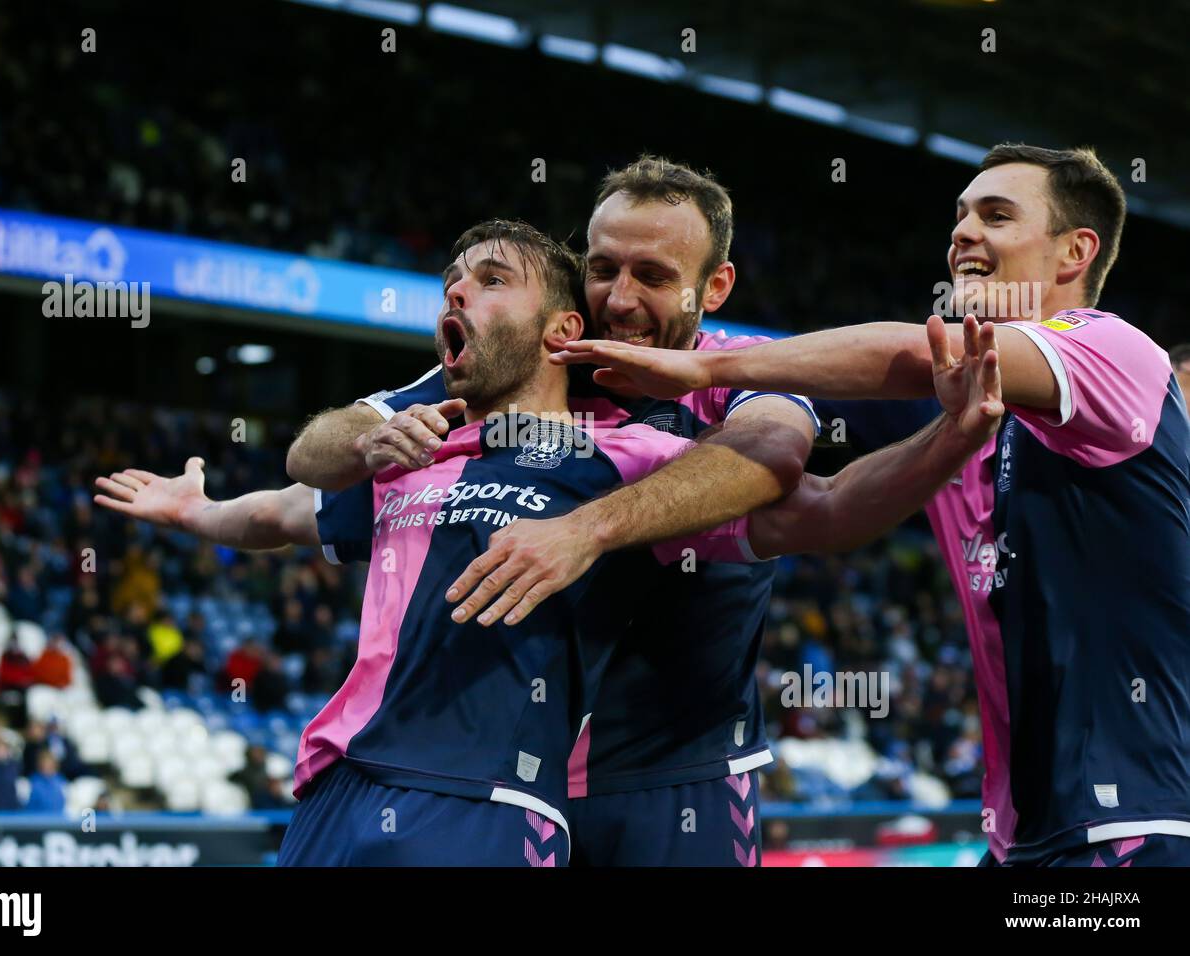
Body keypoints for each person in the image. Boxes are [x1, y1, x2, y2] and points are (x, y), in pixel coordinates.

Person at [96, 218, 1002, 865]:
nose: (459, 291)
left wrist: (948, 438)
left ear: (562, 332)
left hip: (516, 801)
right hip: (336, 788)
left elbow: (825, 504)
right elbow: (287, 507)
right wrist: (194, 512)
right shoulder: (423, 441)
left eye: (491, 279)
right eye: (604, 266)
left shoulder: (646, 455)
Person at [555, 144, 1190, 867]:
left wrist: (703, 364)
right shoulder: (967, 416)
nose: (962, 233)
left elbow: (919, 355)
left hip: (1134, 821)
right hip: (1025, 837)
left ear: (1076, 251)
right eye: (959, 216)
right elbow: (817, 452)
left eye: (996, 215)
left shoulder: (1117, 353)